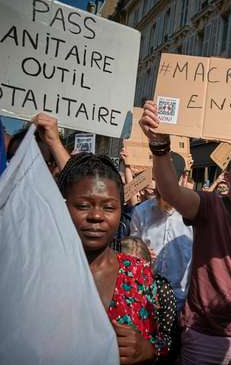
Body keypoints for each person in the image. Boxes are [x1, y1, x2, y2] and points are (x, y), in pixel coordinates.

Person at [139, 100, 231, 364]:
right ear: (226, 175)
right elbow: (170, 191)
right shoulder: (209, 206)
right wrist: (159, 145)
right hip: (204, 337)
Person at [58, 153, 165, 364]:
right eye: (83, 206)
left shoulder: (138, 272)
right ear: (62, 206)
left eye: (108, 207)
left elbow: (161, 340)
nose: (96, 216)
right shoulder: (38, 272)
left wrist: (148, 349)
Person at [129, 152, 193, 311]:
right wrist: (140, 254)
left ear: (182, 179)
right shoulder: (141, 212)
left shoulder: (194, 215)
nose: (163, 187)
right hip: (145, 296)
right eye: (159, 180)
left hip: (182, 302)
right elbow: (130, 254)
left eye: (169, 181)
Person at [121, 237, 180, 364]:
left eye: (138, 270)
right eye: (127, 270)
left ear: (148, 268)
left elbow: (170, 339)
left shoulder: (160, 288)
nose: (133, 278)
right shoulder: (109, 287)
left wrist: (150, 349)